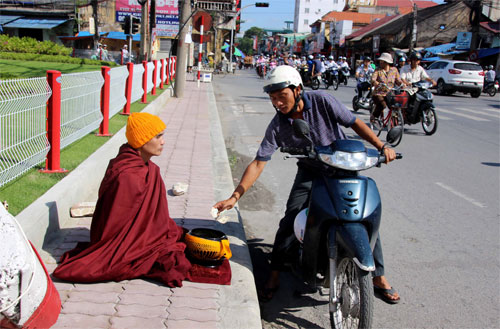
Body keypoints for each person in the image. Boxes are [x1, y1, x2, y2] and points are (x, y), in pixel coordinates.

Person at [213, 65, 400, 304]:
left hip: (342, 167)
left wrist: (381, 146)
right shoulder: (278, 125)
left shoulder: (322, 101)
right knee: (291, 217)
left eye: (282, 96)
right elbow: (259, 162)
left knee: (362, 215)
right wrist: (234, 197)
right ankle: (274, 274)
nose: (278, 103)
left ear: (297, 90)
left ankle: (378, 276)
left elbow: (354, 122)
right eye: (273, 98)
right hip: (311, 171)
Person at [53, 113, 192, 287]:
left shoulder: (149, 169)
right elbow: (116, 225)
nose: (163, 141)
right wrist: (148, 237)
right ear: (142, 140)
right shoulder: (128, 176)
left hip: (133, 235)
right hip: (117, 241)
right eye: (158, 136)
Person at [370, 52, 405, 126]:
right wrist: (376, 83)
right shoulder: (378, 70)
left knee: (395, 106)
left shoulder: (394, 70)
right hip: (378, 93)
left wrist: (403, 85)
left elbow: (398, 81)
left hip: (390, 93)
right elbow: (373, 79)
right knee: (382, 105)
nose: (380, 62)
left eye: (381, 61)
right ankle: (374, 116)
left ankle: (394, 124)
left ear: (386, 62)